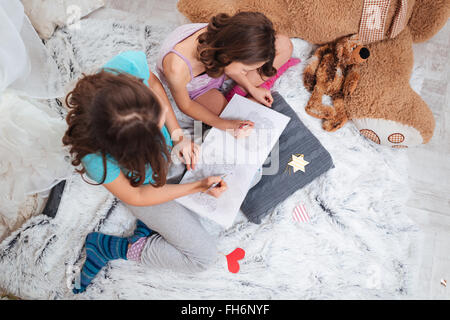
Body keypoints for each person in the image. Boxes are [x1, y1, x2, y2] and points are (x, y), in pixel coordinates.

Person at [63, 51, 227, 294]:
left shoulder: (125, 66)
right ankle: (112, 248)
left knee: (228, 145)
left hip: (165, 160)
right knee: (202, 257)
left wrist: (177, 136)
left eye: (156, 110)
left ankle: (150, 223)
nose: (164, 117)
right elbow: (137, 196)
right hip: (145, 187)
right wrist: (196, 186)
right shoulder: (96, 161)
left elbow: (152, 83)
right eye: (156, 126)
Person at [157, 11, 300, 137]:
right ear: (228, 57)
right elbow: (186, 105)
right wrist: (226, 125)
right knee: (236, 118)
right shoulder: (176, 69)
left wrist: (251, 88)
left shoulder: (231, 39)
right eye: (245, 69)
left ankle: (241, 91)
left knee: (284, 44)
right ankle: (237, 97)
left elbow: (232, 68)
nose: (245, 73)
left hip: (220, 65)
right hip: (199, 87)